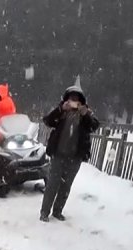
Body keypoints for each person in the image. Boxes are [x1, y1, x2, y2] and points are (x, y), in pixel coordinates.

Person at [40, 85, 101, 222]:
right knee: (52, 185)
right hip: (58, 155)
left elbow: (94, 126)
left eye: (76, 99)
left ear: (81, 101)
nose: (74, 101)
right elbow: (48, 121)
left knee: (66, 186)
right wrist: (61, 109)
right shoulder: (61, 112)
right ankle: (44, 212)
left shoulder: (86, 114)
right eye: (71, 98)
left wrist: (85, 115)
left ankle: (57, 211)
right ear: (66, 99)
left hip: (75, 158)